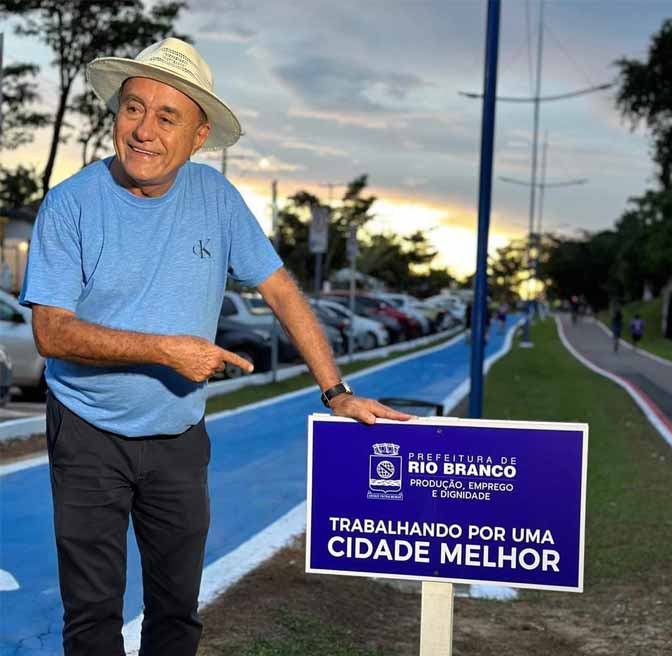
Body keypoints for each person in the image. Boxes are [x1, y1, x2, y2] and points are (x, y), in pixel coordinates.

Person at [18, 38, 412, 655]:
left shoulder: (217, 198)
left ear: (198, 136)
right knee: (91, 617)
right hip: (87, 430)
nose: (144, 131)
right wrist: (166, 350)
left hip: (179, 436)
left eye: (167, 117)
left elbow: (280, 290)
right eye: (133, 108)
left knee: (177, 612)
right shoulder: (70, 204)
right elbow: (52, 333)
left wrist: (336, 392)